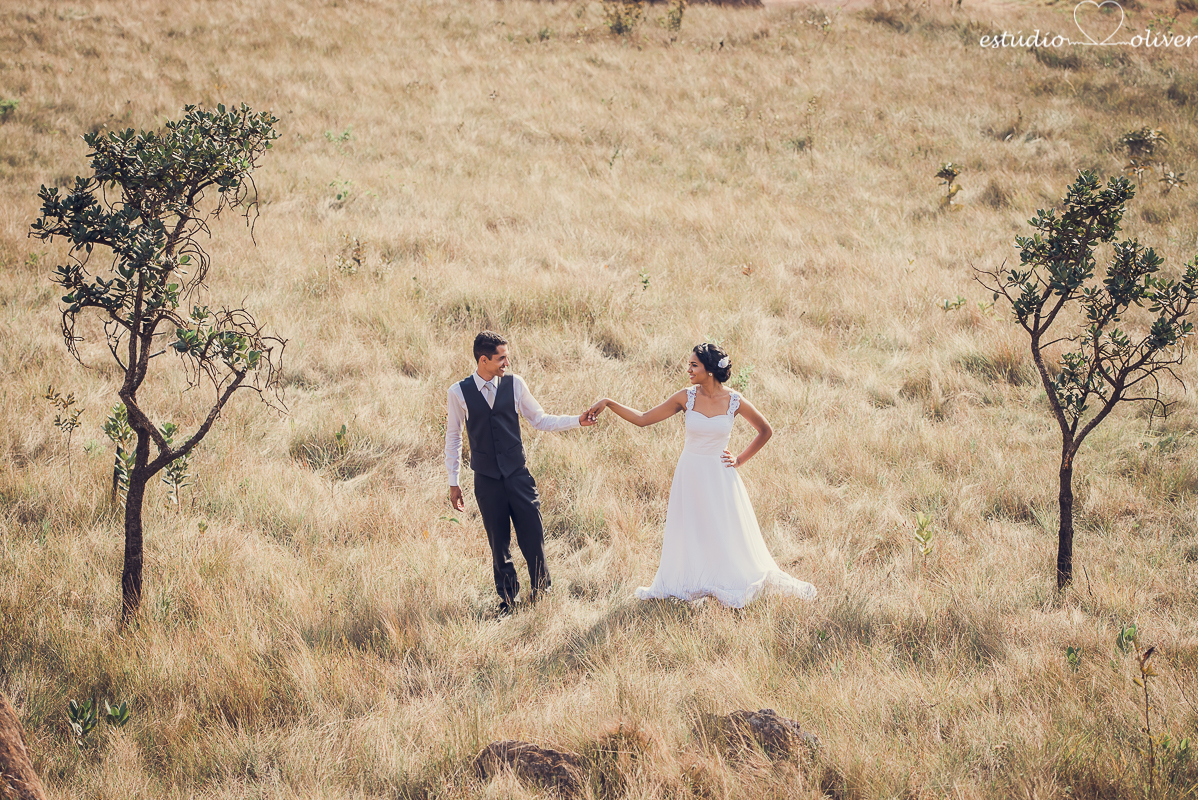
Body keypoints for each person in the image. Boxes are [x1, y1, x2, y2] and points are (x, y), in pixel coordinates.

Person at [587, 343, 817, 607]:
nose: (688, 370)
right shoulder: (686, 397)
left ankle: (725, 579)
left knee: (723, 528)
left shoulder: (734, 400)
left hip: (720, 475)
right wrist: (608, 402)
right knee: (691, 529)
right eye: (689, 364)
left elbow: (765, 430)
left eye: (694, 365)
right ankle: (694, 581)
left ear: (709, 370)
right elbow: (643, 418)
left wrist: (739, 459)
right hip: (691, 473)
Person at [446, 331, 597, 614]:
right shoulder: (458, 392)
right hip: (487, 481)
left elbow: (540, 419)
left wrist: (577, 421)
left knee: (533, 535)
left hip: (518, 476)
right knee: (498, 542)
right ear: (483, 360)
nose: (507, 363)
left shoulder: (515, 385)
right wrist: (453, 482)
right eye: (501, 358)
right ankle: (509, 601)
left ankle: (542, 591)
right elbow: (453, 437)